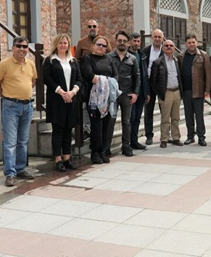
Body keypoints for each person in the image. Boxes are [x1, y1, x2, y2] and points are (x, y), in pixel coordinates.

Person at [0, 37, 37, 187]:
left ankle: (20, 168)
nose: (22, 49)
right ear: (13, 47)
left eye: (25, 46)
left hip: (27, 106)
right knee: (10, 142)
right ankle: (10, 173)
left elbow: (33, 81)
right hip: (11, 106)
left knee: (22, 140)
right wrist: (6, 96)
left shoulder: (31, 64)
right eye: (19, 46)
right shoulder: (4, 64)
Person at [42, 33, 82, 172]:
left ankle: (67, 158)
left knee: (68, 129)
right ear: (56, 45)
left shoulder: (73, 61)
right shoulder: (50, 60)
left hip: (71, 99)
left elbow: (79, 79)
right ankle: (58, 159)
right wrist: (61, 92)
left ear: (68, 45)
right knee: (58, 130)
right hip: (57, 100)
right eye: (60, 43)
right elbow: (47, 78)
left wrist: (72, 92)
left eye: (65, 43)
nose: (63, 45)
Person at [80, 35, 117, 164]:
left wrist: (107, 82)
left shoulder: (109, 59)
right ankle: (95, 152)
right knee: (96, 127)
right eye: (99, 44)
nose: (101, 47)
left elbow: (115, 74)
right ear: (93, 45)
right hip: (94, 99)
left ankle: (102, 151)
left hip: (107, 99)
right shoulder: (87, 59)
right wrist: (103, 80)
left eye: (104, 45)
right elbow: (89, 74)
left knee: (106, 126)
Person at [109, 30, 140, 157]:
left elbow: (137, 77)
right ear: (116, 42)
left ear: (128, 43)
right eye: (119, 40)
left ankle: (126, 146)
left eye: (124, 41)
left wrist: (136, 93)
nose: (122, 43)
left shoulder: (132, 59)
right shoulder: (109, 57)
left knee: (126, 122)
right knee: (110, 121)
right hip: (113, 95)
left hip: (127, 95)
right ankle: (106, 148)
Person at [178, 34, 211, 145]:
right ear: (186, 44)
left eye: (193, 42)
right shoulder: (181, 56)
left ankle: (201, 137)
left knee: (199, 115)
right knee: (188, 115)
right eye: (189, 42)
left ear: (196, 43)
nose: (191, 44)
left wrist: (207, 90)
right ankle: (190, 136)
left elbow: (208, 73)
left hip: (198, 90)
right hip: (186, 90)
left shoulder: (203, 55)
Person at [150, 39, 183, 148]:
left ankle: (176, 137)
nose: (169, 47)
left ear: (174, 48)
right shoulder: (157, 62)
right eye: (166, 45)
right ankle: (164, 139)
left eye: (171, 45)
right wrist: (160, 92)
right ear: (163, 48)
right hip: (166, 93)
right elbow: (153, 81)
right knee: (165, 118)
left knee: (176, 117)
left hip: (177, 92)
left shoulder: (177, 61)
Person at [142, 29, 164, 145]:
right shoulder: (145, 51)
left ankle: (165, 134)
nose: (157, 39)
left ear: (162, 38)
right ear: (152, 37)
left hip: (161, 84)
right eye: (155, 37)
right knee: (148, 111)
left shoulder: (166, 51)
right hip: (149, 83)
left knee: (164, 110)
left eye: (159, 37)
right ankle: (149, 135)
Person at [128, 32, 149, 151]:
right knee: (130, 118)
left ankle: (134, 141)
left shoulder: (142, 55)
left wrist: (146, 92)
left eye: (138, 41)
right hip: (131, 91)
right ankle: (128, 142)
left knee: (137, 118)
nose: (136, 43)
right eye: (134, 41)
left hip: (141, 91)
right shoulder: (127, 55)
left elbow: (144, 74)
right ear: (130, 41)